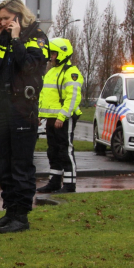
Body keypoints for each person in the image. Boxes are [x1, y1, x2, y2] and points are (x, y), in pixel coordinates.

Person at [0, 0, 48, 233]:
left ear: (18, 17)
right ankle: (10, 212)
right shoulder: (3, 39)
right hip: (2, 107)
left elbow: (29, 67)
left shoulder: (36, 37)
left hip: (23, 109)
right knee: (4, 162)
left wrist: (17, 38)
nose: (2, 22)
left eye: (6, 18)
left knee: (21, 164)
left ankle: (21, 216)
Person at [37, 38, 84, 193]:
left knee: (65, 150)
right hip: (51, 119)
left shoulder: (71, 73)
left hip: (64, 119)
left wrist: (62, 116)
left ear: (62, 53)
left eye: (54, 53)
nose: (51, 56)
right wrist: (39, 114)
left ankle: (70, 184)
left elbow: (73, 98)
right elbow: (44, 95)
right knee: (53, 151)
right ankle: (54, 182)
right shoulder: (51, 72)